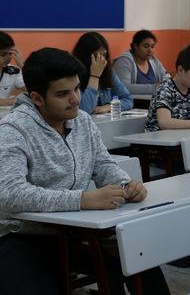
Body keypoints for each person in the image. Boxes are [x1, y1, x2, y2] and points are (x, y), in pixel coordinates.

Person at [0, 48, 169, 295]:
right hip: (21, 236)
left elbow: (102, 164)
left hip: (73, 232)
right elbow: (11, 194)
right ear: (36, 98)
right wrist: (82, 200)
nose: (76, 99)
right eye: (63, 94)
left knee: (141, 259)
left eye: (77, 88)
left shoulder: (81, 121)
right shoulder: (13, 130)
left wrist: (126, 185)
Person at [72, 32, 133, 114]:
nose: (102, 60)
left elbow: (128, 99)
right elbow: (84, 110)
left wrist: (108, 107)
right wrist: (95, 76)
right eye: (96, 55)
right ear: (85, 56)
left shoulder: (108, 72)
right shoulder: (73, 75)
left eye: (104, 55)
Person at [0, 31, 25, 106]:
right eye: (3, 54)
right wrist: (8, 101)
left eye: (10, 53)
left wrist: (23, 67)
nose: (8, 57)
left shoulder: (13, 71)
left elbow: (33, 91)